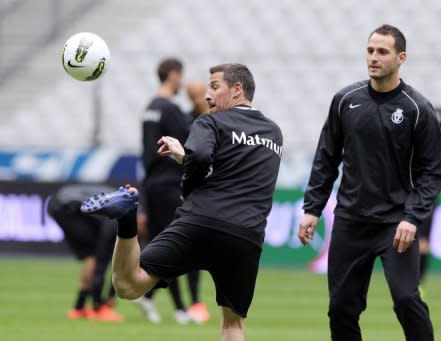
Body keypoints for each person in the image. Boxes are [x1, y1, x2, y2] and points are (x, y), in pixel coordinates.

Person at [81, 63, 283, 341]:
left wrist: (187, 185)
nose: (207, 96)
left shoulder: (210, 121)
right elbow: (232, 168)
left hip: (201, 221)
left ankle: (126, 218)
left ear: (237, 89)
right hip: (245, 236)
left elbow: (200, 157)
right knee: (233, 324)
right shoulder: (273, 133)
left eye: (214, 87)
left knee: (128, 285)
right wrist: (187, 157)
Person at [297, 24, 441, 341]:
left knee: (406, 300)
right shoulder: (344, 100)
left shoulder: (418, 109)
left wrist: (412, 217)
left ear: (401, 57)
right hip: (351, 222)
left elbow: (433, 172)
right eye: (370, 50)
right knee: (341, 309)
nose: (373, 57)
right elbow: (326, 157)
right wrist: (313, 208)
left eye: (382, 52)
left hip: (396, 224)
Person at [135, 57, 208, 324]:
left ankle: (154, 298)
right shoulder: (169, 109)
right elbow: (194, 139)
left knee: (159, 244)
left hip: (151, 184)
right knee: (175, 246)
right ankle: (177, 307)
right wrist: (201, 108)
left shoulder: (150, 109)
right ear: (174, 76)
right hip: (168, 185)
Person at [47, 184, 125, 322]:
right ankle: (97, 308)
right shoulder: (120, 215)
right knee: (96, 256)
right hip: (65, 206)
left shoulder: (125, 204)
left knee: (93, 256)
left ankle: (79, 308)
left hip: (62, 202)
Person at [419, 107, 441, 284]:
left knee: (422, 240)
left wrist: (430, 109)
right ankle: (415, 279)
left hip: (425, 194)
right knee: (418, 240)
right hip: (421, 193)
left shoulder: (430, 135)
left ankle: (418, 279)